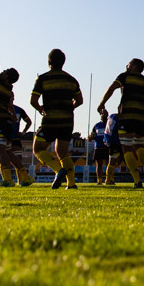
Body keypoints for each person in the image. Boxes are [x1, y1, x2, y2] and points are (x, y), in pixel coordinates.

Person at [29, 48, 84, 190]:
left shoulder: (42, 78)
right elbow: (79, 100)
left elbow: (33, 100)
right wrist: (69, 107)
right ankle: (71, 184)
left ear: (49, 62)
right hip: (67, 120)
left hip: (50, 120)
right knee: (63, 153)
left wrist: (41, 109)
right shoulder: (71, 80)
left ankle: (58, 170)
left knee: (38, 149)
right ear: (63, 62)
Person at [98, 58, 144, 188]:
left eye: (128, 64)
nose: (126, 66)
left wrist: (102, 103)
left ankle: (137, 181)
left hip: (128, 115)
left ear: (133, 66)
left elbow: (112, 88)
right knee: (139, 146)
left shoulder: (125, 76)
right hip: (142, 118)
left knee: (127, 147)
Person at [0, 65, 33, 186]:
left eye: (5, 72)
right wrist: (13, 116)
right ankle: (25, 177)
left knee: (0, 150)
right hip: (6, 123)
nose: (2, 72)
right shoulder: (8, 89)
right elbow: (10, 105)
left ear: (6, 77)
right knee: (9, 152)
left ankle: (8, 179)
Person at [89, 107, 111, 186]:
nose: (103, 115)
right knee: (99, 164)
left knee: (109, 163)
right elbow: (92, 135)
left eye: (105, 113)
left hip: (107, 146)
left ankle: (109, 179)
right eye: (102, 113)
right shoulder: (97, 125)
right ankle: (99, 180)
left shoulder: (109, 124)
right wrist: (90, 137)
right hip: (98, 147)